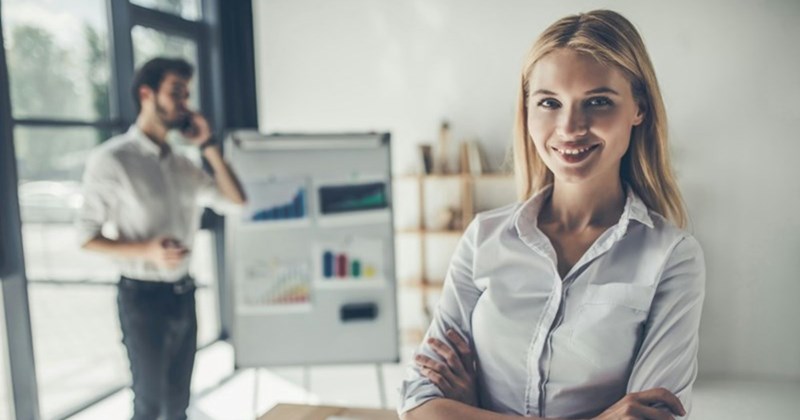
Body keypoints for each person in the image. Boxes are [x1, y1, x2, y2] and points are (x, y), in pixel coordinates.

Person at [399, 10, 705, 420]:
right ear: (526, 112)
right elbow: (420, 405)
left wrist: (473, 410)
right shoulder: (484, 237)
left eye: (597, 102)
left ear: (639, 109)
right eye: (549, 102)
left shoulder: (673, 257)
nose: (570, 126)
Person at [77, 57, 246, 420]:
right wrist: (148, 251)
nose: (184, 104)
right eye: (176, 93)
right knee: (149, 406)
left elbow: (236, 201)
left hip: (183, 295)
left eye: (186, 95)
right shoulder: (112, 160)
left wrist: (208, 144)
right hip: (141, 299)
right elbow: (86, 236)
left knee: (178, 406)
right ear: (146, 94)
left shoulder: (183, 165)